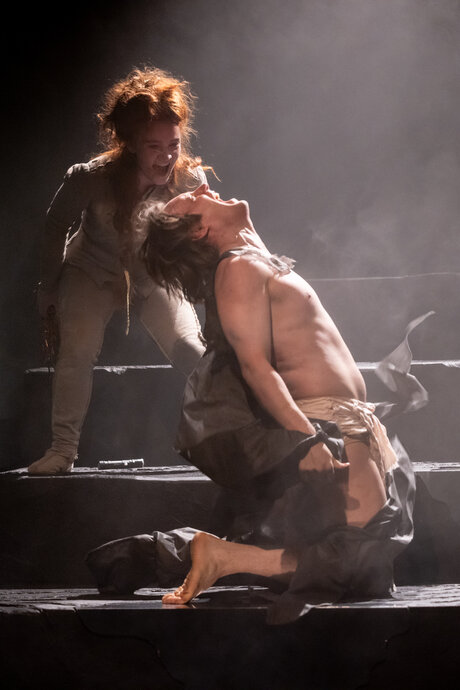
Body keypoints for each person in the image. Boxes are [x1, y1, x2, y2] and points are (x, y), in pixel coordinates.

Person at [86, 185, 415, 623]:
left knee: (360, 565)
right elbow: (255, 367)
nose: (203, 187)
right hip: (321, 423)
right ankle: (221, 556)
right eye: (193, 200)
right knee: (361, 568)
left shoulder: (253, 259)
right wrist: (306, 441)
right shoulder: (237, 268)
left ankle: (193, 553)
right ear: (200, 230)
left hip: (346, 421)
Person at [28, 67, 208, 475]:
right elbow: (56, 225)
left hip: (153, 275)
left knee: (191, 350)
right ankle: (62, 450)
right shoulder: (91, 177)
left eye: (174, 145)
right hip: (91, 271)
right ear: (129, 144)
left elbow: (211, 241)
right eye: (153, 146)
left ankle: (236, 438)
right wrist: (48, 287)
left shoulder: (189, 181)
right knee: (76, 352)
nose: (166, 156)